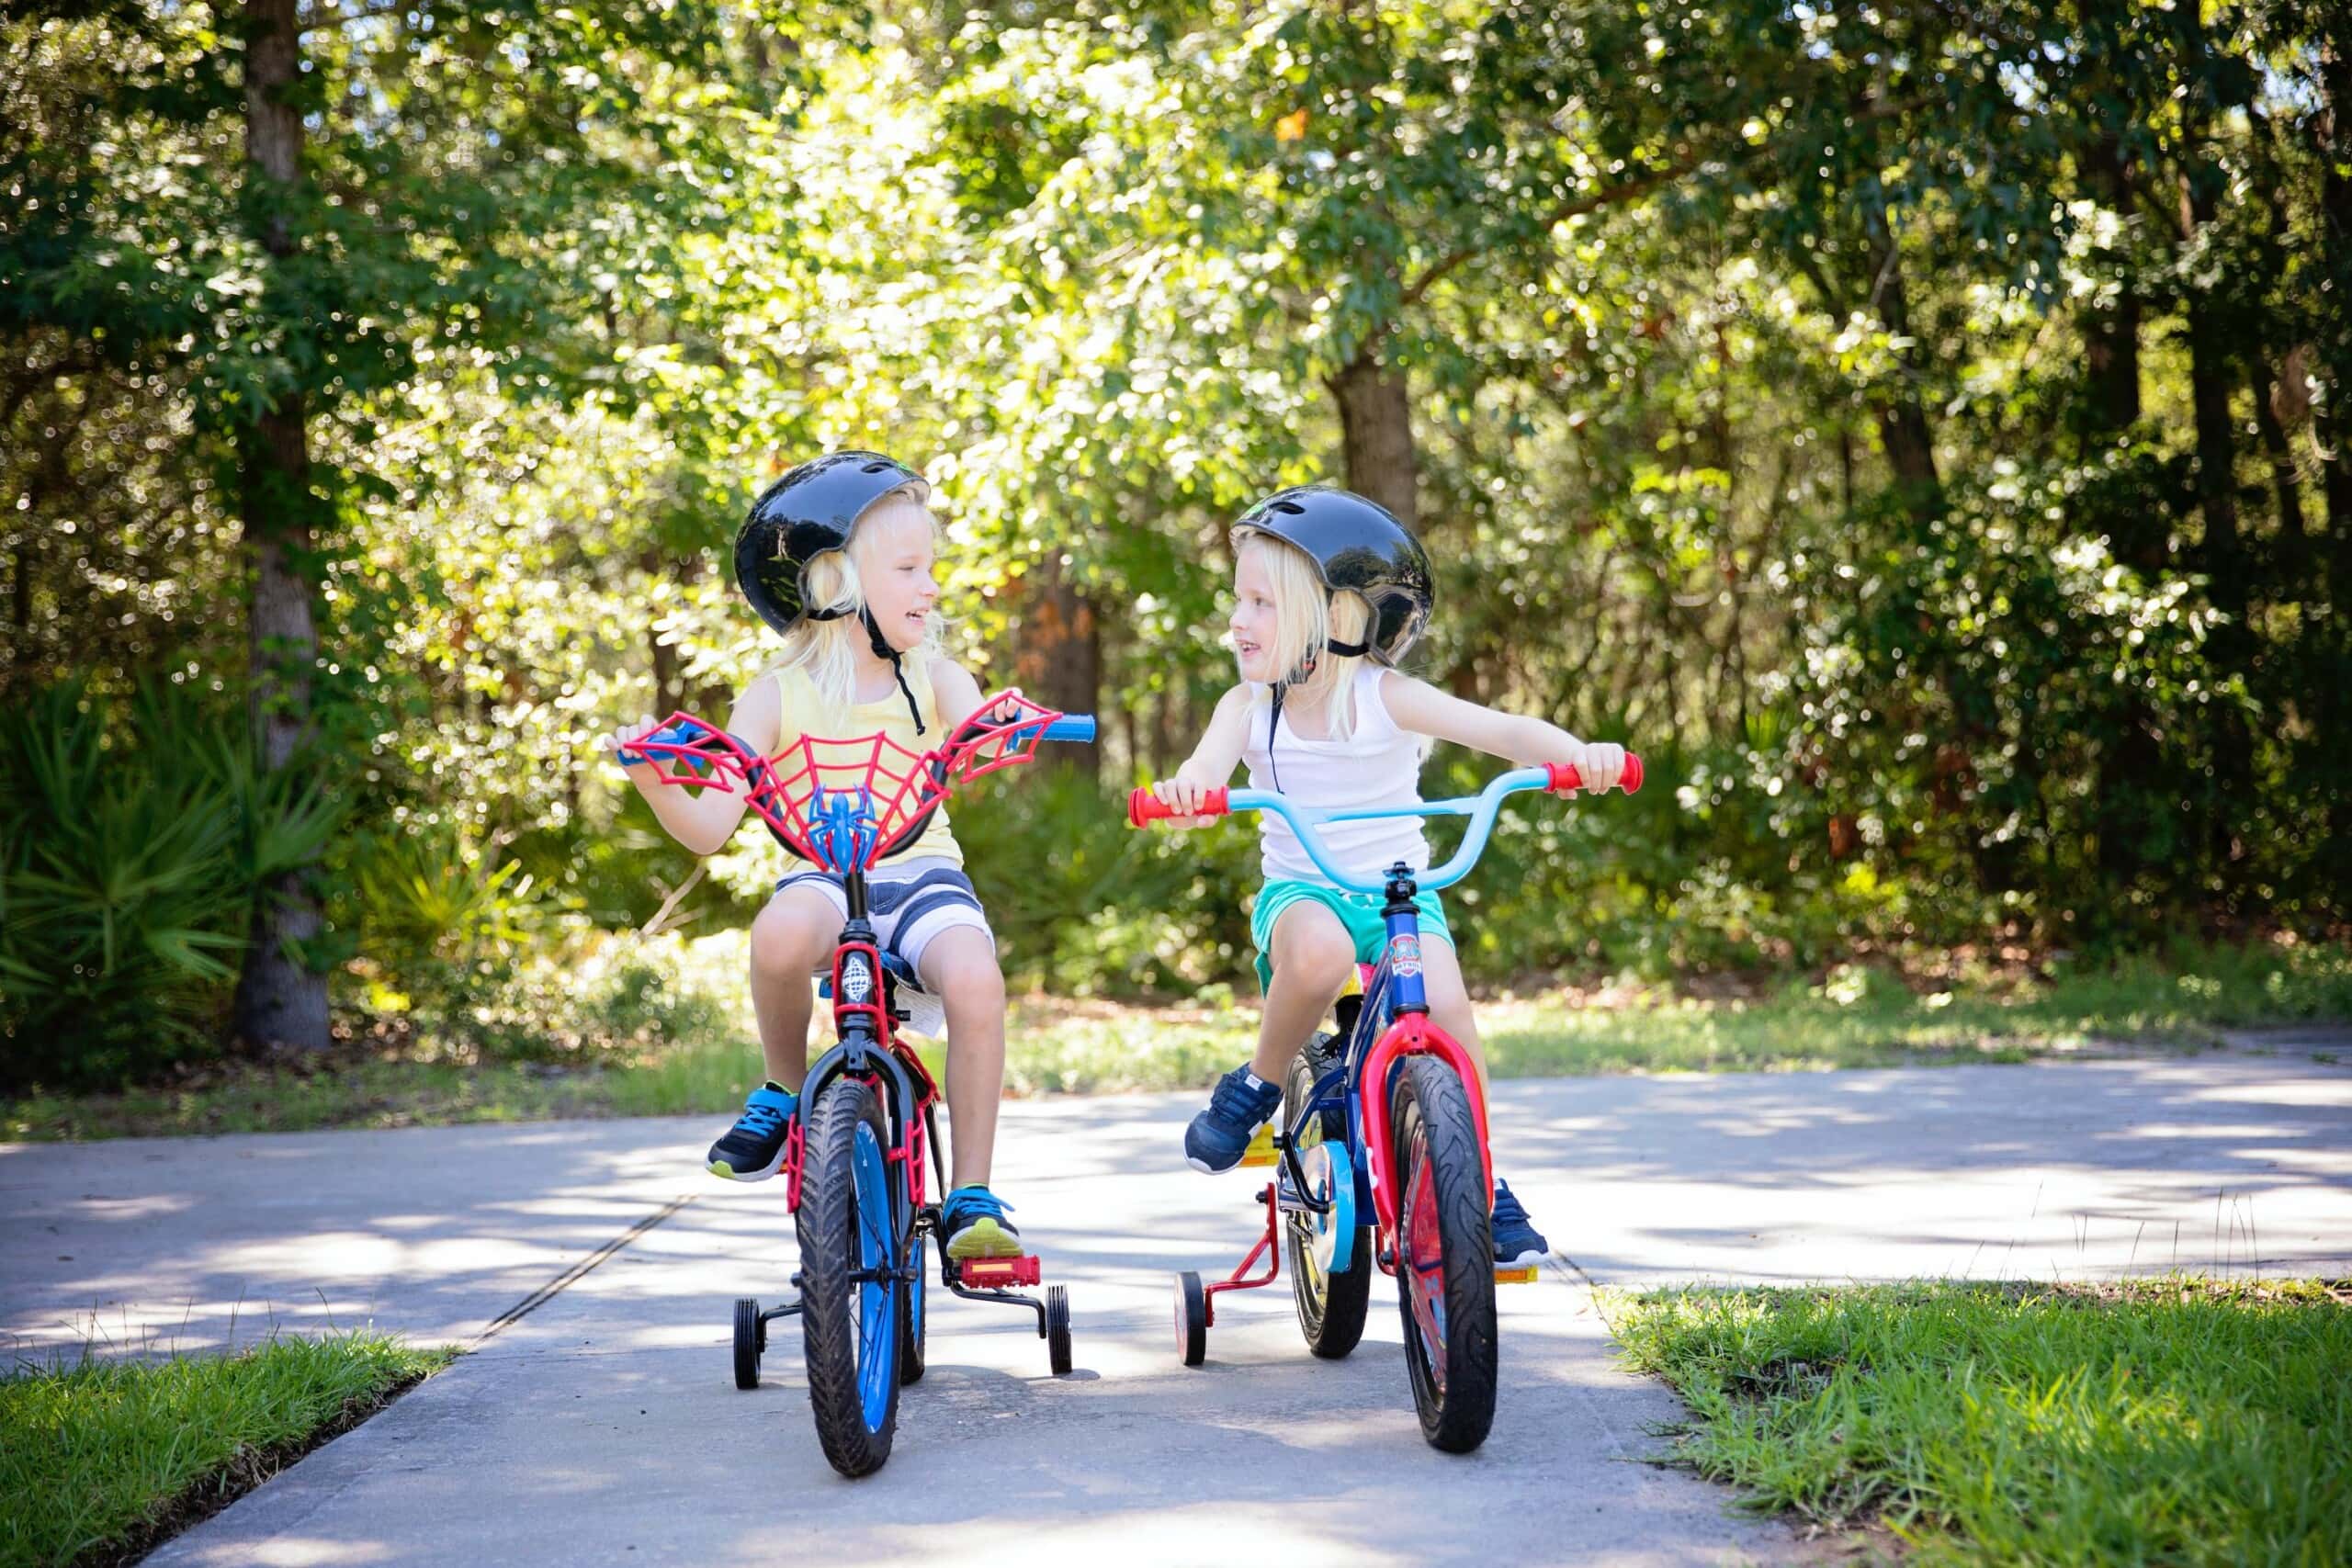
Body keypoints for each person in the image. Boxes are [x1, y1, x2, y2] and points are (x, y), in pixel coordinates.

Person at [1149, 486, 1626, 1266]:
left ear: (1336, 617)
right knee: (1319, 955)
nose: (1239, 619)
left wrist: (1578, 755)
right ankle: (1260, 1082)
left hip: (1400, 897)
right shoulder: (1247, 708)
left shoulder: (1386, 697)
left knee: (1449, 1008)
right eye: (1239, 600)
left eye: (1262, 603)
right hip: (1303, 893)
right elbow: (1200, 777)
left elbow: (1503, 730)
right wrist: (1186, 797)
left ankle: (1478, 1174)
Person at [600, 452, 1023, 1259]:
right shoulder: (774, 694)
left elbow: (979, 723)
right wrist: (660, 785)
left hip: (922, 874)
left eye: (930, 567)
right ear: (836, 582)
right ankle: (784, 1090)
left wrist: (999, 727)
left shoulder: (934, 677)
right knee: (776, 937)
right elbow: (711, 826)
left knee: (976, 978)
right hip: (822, 876)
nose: (931, 587)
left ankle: (972, 1190)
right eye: (908, 569)